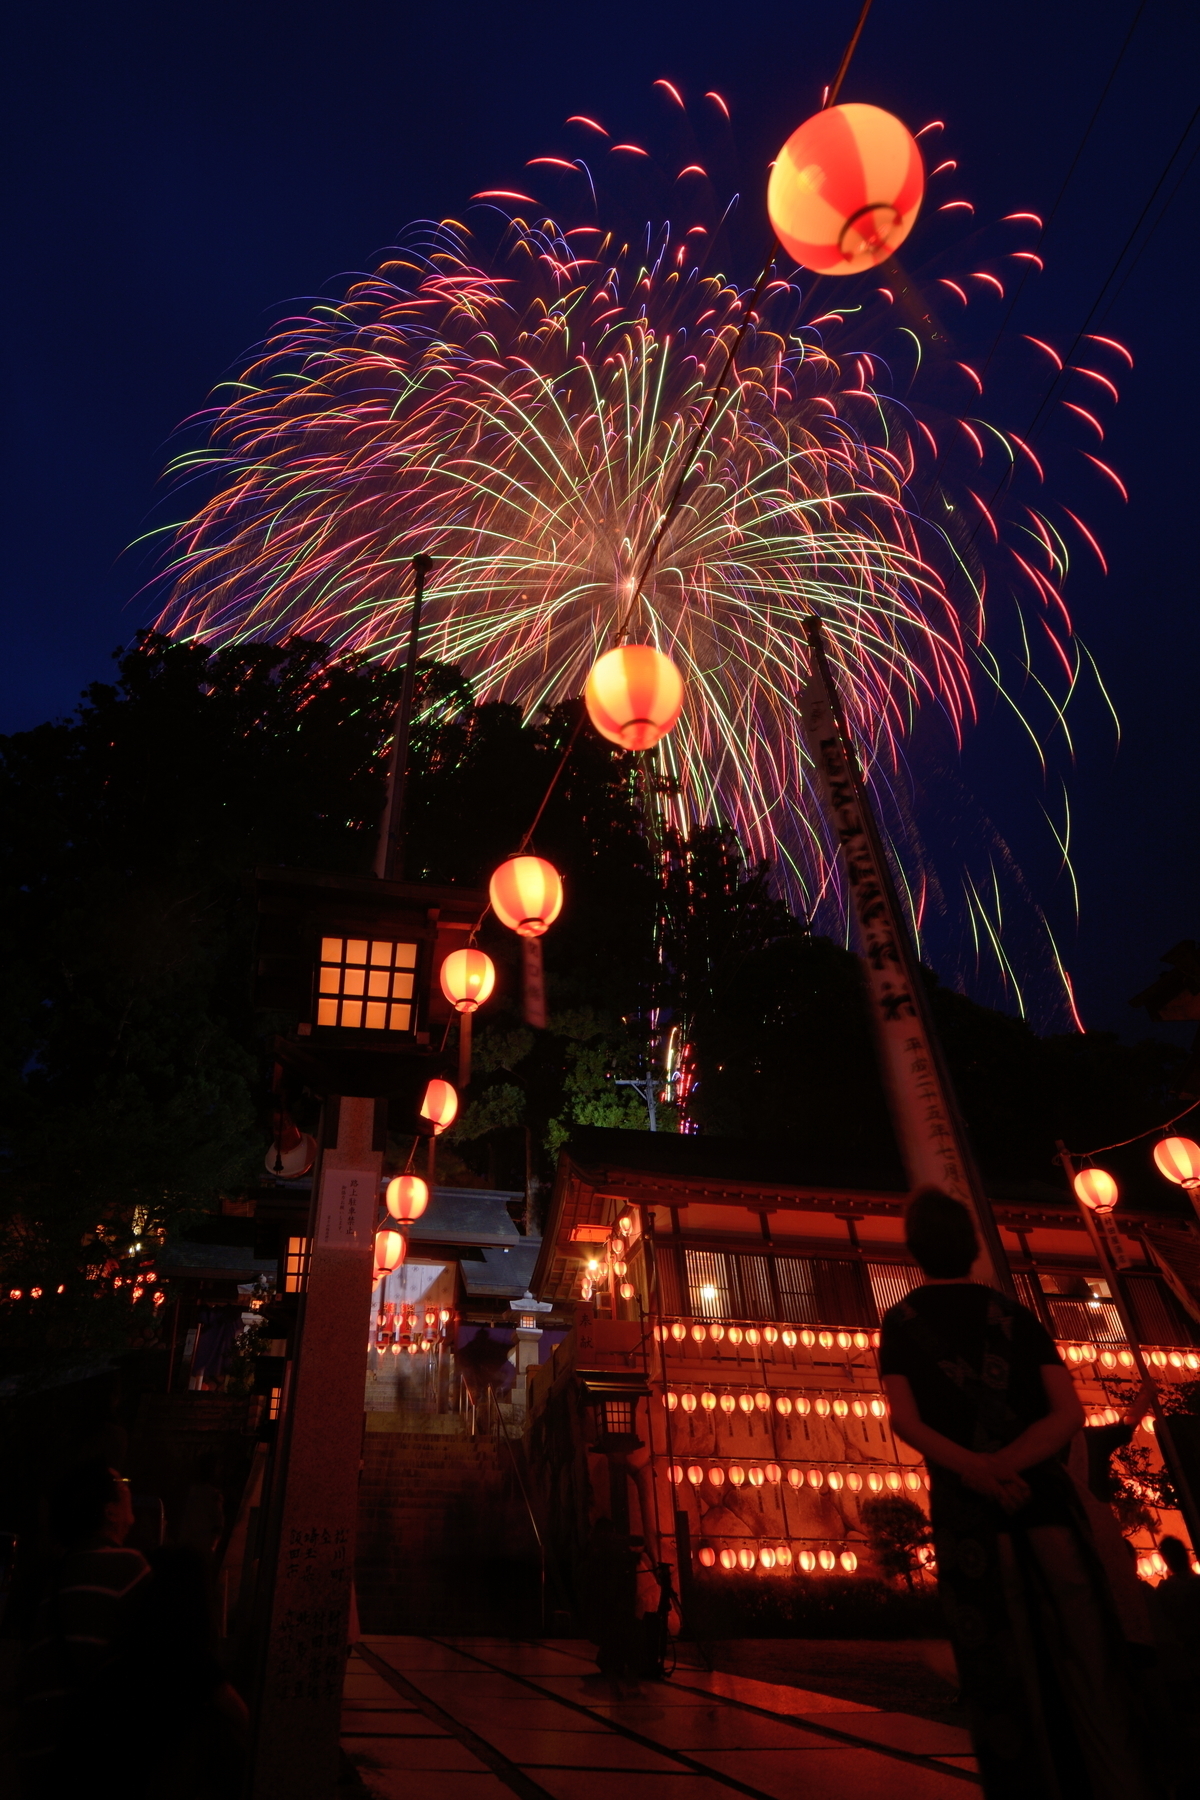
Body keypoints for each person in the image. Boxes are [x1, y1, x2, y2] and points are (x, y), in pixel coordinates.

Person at [879, 1187, 1161, 1800]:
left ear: (915, 1252)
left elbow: (906, 1421)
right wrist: (1011, 1463)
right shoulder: (1014, 1316)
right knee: (1088, 1662)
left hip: (969, 1517)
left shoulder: (900, 1323)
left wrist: (977, 1471)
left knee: (1002, 1677)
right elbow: (1065, 1414)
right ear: (973, 1247)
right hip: (1046, 1507)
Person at [17, 1459, 151, 1798]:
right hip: (95, 1767)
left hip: (42, 1771)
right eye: (122, 1483)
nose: (129, 1489)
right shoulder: (125, 1567)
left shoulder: (54, 1584)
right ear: (109, 1511)